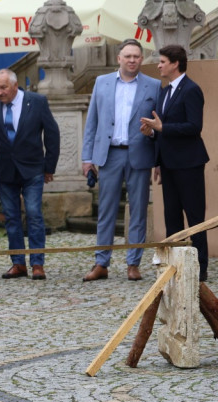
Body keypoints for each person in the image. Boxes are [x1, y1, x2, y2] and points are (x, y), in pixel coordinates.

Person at [82, 39, 159, 283]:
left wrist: (154, 140)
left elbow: (159, 123)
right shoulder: (102, 82)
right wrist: (87, 157)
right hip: (110, 154)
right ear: (119, 58)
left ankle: (133, 263)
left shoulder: (153, 85)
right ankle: (101, 262)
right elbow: (92, 122)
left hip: (140, 153)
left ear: (141, 59)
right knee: (106, 210)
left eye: (136, 56)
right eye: (128, 56)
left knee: (138, 210)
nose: (132, 60)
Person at [140, 44, 210, 282]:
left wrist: (162, 127)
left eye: (162, 61)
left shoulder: (191, 90)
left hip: (189, 163)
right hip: (168, 164)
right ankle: (175, 266)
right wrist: (152, 132)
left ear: (175, 63)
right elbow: (163, 129)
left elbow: (194, 126)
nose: (159, 65)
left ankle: (200, 268)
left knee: (195, 217)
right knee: (172, 217)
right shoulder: (164, 91)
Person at [0, 68, 60, 280]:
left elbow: (52, 134)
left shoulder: (37, 101)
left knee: (34, 214)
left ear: (15, 85)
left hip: (32, 168)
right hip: (4, 170)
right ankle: (18, 262)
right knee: (11, 217)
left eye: (3, 88)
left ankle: (37, 263)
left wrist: (49, 167)